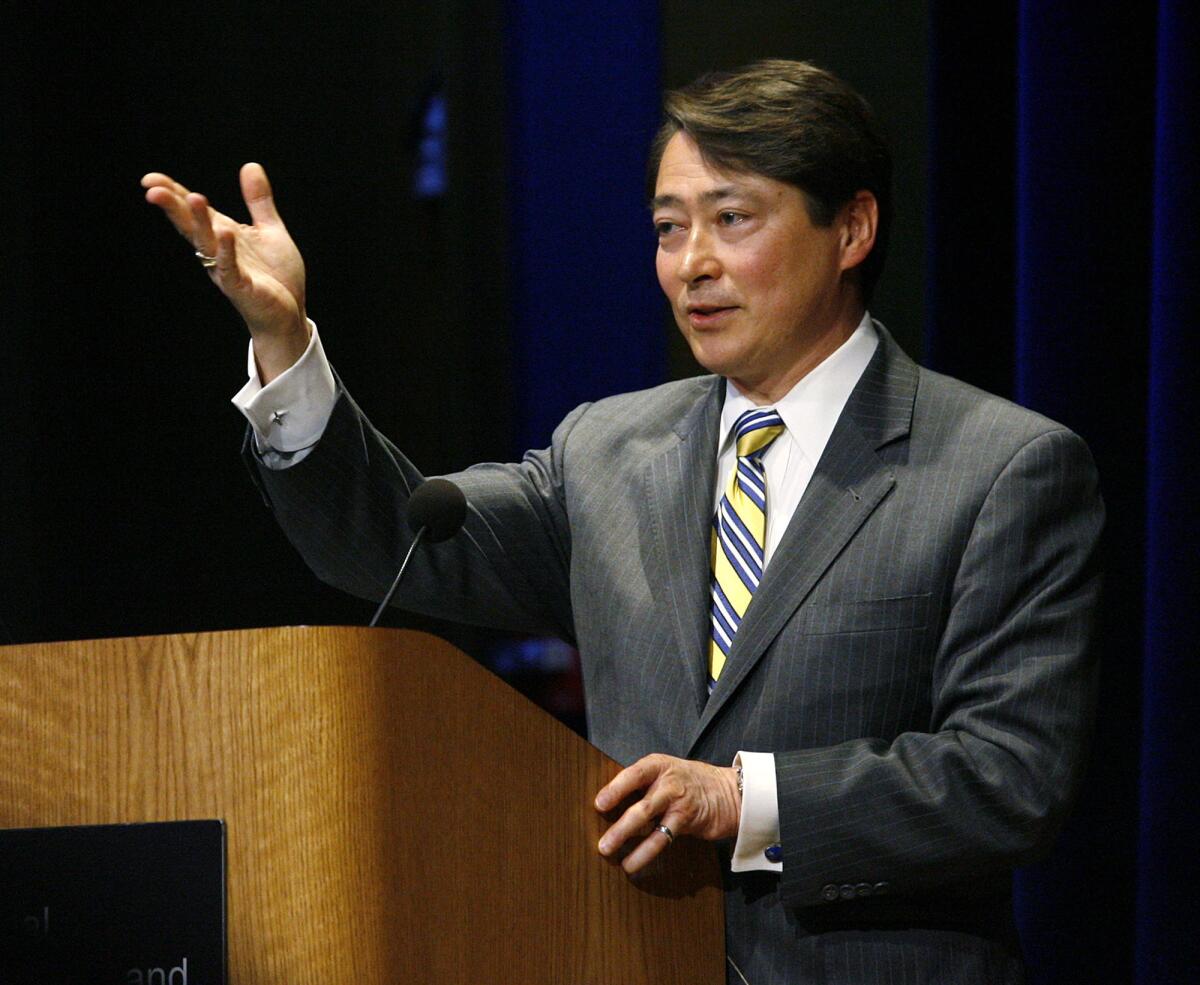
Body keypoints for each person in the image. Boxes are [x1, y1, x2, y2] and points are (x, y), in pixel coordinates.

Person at [143, 60, 1102, 985]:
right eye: (668, 227)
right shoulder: (606, 450)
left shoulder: (999, 467)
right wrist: (285, 342)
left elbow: (1008, 776)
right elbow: (389, 539)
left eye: (732, 219)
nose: (693, 264)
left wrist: (745, 799)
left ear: (851, 229)